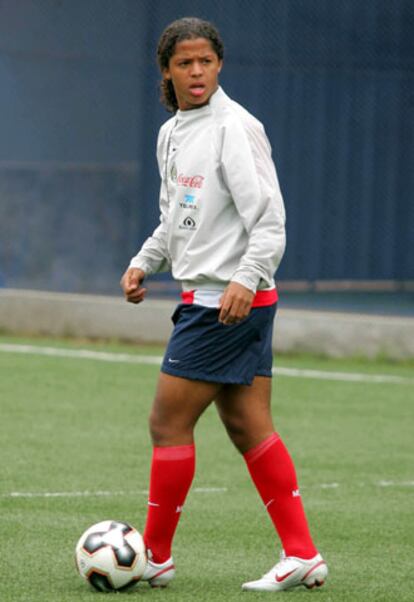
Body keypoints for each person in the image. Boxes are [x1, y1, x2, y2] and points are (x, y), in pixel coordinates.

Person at [120, 16, 328, 593]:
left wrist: (246, 276)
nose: (196, 72)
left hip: (226, 302)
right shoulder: (172, 134)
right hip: (219, 298)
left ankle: (155, 556)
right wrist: (144, 261)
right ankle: (302, 554)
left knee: (167, 422)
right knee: (247, 424)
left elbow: (270, 220)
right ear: (166, 69)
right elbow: (175, 219)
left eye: (205, 61)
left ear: (219, 65)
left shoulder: (236, 127)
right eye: (184, 63)